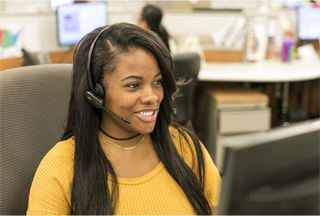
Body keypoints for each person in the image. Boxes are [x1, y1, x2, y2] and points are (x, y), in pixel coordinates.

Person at [27, 22, 221, 216]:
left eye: (157, 82)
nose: (152, 96)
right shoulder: (61, 166)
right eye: (133, 85)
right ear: (96, 93)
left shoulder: (185, 147)